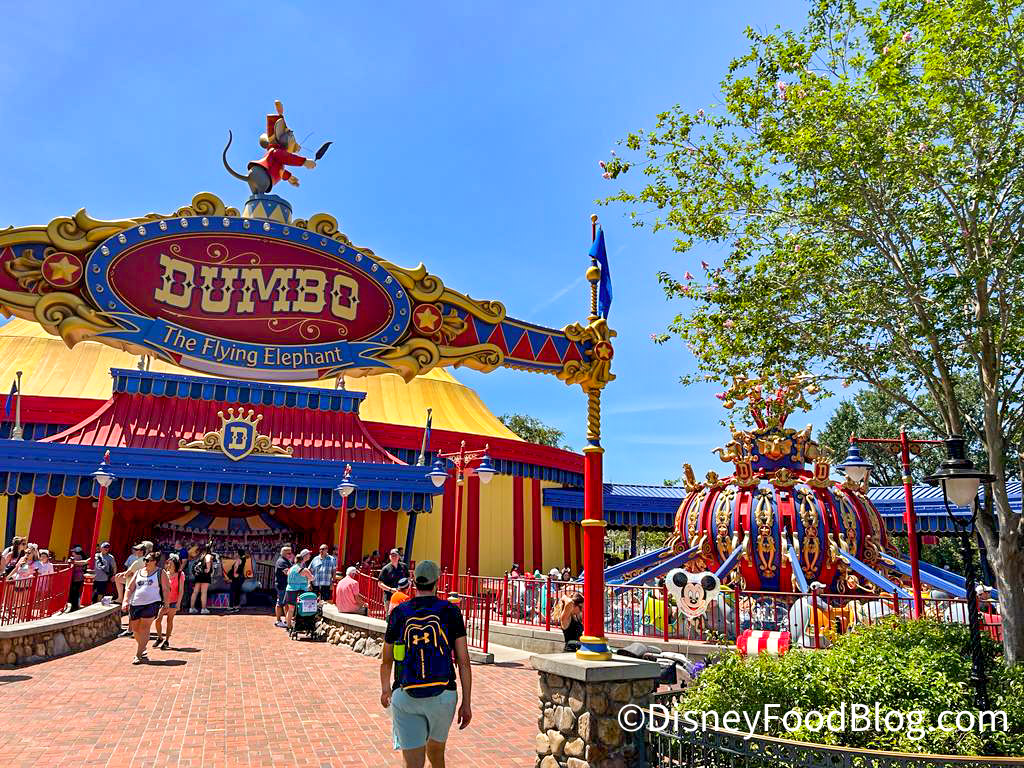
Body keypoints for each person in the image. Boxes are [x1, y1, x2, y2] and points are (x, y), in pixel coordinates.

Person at [381, 560, 472, 768]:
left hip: (406, 692)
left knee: (413, 762)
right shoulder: (450, 611)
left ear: (413, 581)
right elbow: (464, 662)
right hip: (443, 694)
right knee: (437, 755)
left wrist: (385, 689)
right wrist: (466, 703)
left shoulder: (400, 612)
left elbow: (386, 660)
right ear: (437, 582)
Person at [124, 552, 170, 664]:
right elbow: (130, 588)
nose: (145, 562)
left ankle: (138, 655)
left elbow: (165, 589)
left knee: (144, 628)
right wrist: (125, 601)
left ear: (155, 561)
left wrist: (166, 603)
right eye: (145, 559)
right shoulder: (139, 572)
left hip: (152, 603)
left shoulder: (160, 572)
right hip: (135, 604)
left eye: (148, 560)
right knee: (135, 629)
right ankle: (142, 647)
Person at [154, 554, 185, 649]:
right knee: (158, 620)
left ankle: (167, 640)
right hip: (163, 601)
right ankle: (160, 637)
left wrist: (179, 603)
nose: (169, 565)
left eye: (171, 564)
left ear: (176, 565)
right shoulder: (164, 574)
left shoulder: (180, 575)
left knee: (169, 620)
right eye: (168, 563)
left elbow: (181, 590)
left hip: (174, 601)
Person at [284, 549, 313, 630]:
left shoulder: (291, 568)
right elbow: (311, 578)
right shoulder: (304, 569)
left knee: (291, 609)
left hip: (290, 590)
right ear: (302, 559)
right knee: (301, 610)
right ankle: (300, 626)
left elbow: (288, 575)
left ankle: (288, 626)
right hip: (300, 591)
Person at [189, 544, 213, 614]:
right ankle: (203, 609)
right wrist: (208, 569)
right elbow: (208, 561)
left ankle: (191, 608)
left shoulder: (201, 555)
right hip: (205, 576)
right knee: (204, 592)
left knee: (195, 592)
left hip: (198, 575)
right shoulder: (208, 555)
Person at [274, 545, 294, 628]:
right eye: (289, 553)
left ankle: (286, 620)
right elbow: (287, 572)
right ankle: (279, 621)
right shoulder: (281, 561)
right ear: (284, 553)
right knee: (281, 603)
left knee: (285, 603)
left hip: (284, 585)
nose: (291, 555)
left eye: (291, 553)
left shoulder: (286, 561)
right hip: (281, 585)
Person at [67, 545, 89, 611]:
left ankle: (74, 606)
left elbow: (73, 564)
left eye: (73, 551)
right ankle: (75, 606)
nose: (72, 553)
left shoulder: (77, 557)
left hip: (76, 577)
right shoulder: (82, 557)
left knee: (74, 593)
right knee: (76, 592)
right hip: (79, 577)